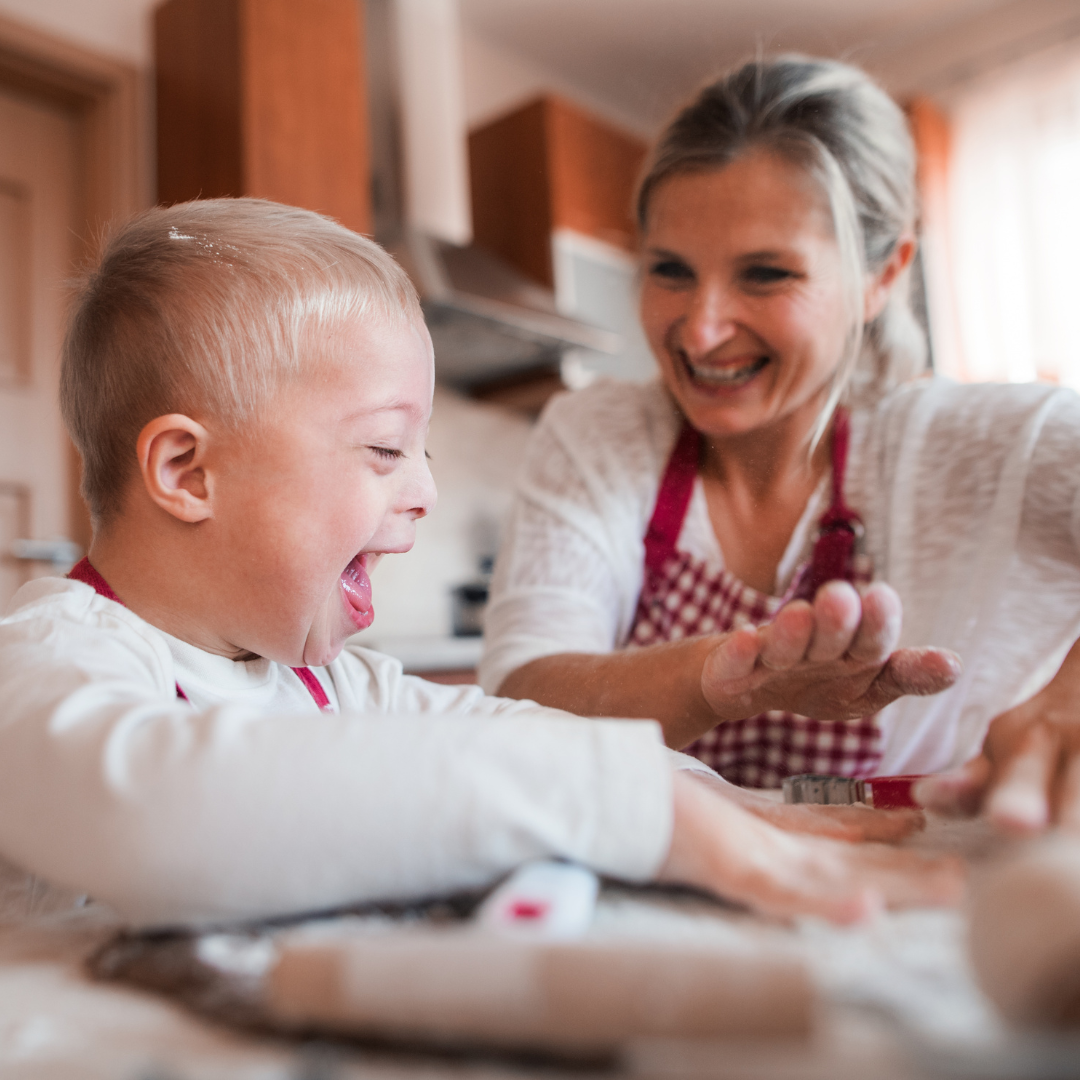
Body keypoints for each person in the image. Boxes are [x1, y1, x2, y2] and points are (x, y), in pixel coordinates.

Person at [0, 198, 959, 928]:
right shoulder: (50, 660)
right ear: (187, 470)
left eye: (423, 451)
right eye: (383, 449)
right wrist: (621, 809)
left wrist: (744, 805)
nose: (421, 486)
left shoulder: (334, 687)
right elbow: (154, 819)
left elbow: (519, 735)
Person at [480, 54, 1080, 835]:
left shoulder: (986, 443)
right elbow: (521, 701)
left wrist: (1065, 701)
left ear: (884, 274)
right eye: (670, 270)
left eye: (764, 274)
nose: (700, 329)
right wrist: (732, 681)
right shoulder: (598, 434)